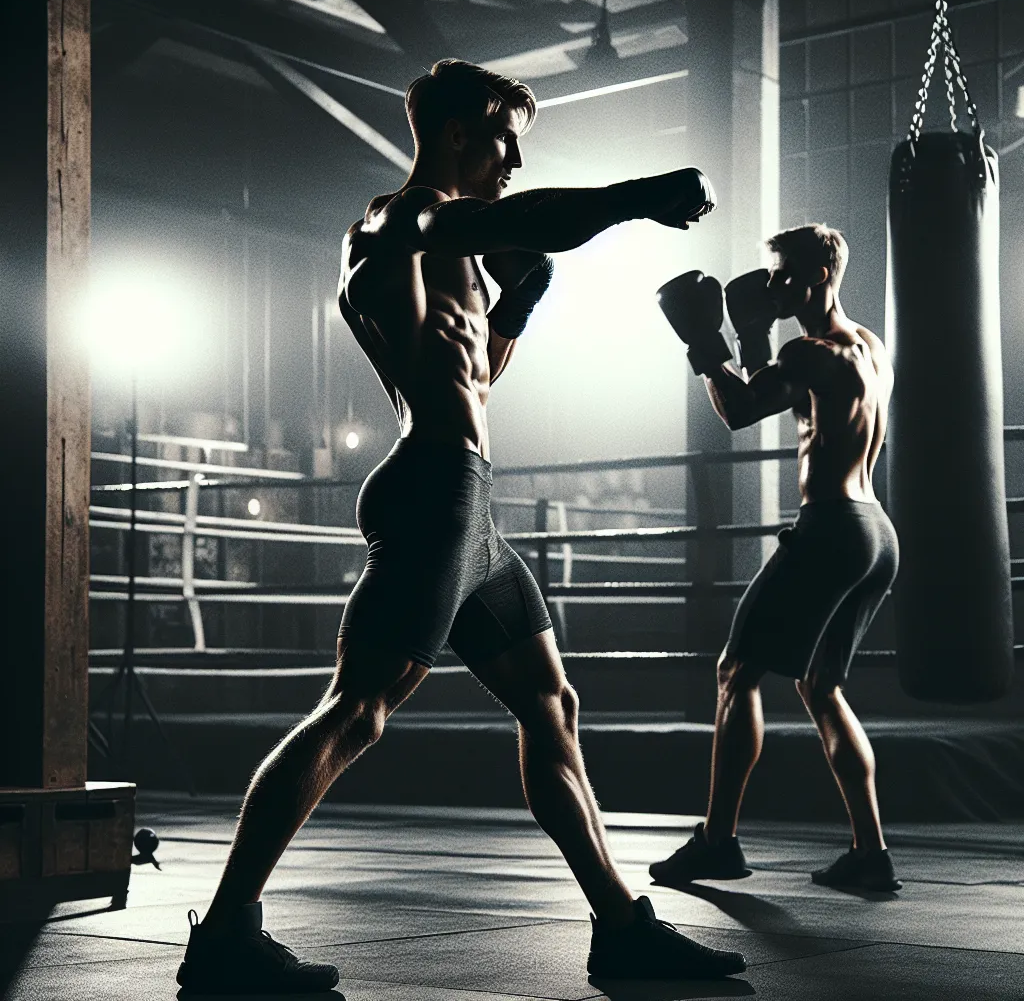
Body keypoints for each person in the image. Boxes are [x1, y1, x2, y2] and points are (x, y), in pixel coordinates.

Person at [176, 58, 744, 995]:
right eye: (501, 134)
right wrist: (635, 196)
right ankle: (227, 932)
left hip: (472, 504)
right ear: (451, 135)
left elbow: (474, 381)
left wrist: (514, 309)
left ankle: (622, 929)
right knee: (358, 710)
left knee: (551, 706)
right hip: (432, 489)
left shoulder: (463, 254)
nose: (514, 154)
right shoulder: (394, 221)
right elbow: (510, 227)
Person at [650, 224, 902, 894]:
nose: (770, 286)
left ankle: (718, 840)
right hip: (877, 532)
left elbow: (737, 409)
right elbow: (780, 387)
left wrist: (706, 346)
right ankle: (870, 851)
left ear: (821, 272)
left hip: (831, 528)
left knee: (735, 671)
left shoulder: (809, 350)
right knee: (822, 687)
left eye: (783, 273)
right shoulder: (869, 345)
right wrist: (755, 339)